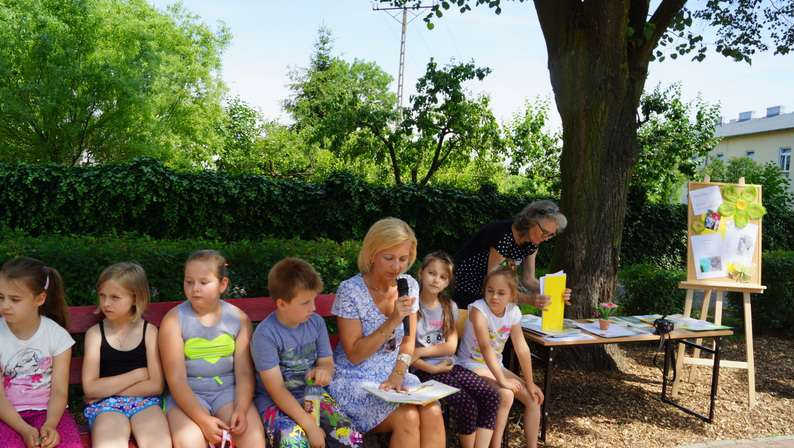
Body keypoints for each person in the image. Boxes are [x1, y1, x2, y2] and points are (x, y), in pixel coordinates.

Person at [330, 218, 445, 448]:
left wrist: (399, 372)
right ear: (372, 254)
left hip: (395, 375)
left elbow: (409, 339)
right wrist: (393, 320)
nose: (397, 267)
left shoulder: (409, 285)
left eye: (403, 259)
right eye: (389, 258)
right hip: (356, 379)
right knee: (409, 417)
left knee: (432, 409)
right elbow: (354, 354)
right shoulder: (350, 291)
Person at [252, 257, 362, 448]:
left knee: (350, 437)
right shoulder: (265, 335)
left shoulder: (316, 323)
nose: (313, 307)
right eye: (305, 302)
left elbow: (326, 362)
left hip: (313, 395)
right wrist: (310, 426)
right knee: (293, 442)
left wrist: (324, 371)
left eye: (314, 300)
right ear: (282, 304)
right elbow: (276, 390)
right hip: (275, 403)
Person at [159, 250, 265, 447]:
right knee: (189, 441)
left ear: (222, 284)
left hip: (228, 392)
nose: (195, 289)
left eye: (203, 282)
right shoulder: (173, 320)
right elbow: (176, 379)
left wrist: (241, 409)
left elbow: (244, 373)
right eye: (189, 282)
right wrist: (203, 420)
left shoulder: (238, 319)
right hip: (188, 395)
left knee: (252, 437)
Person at [411, 251, 499, 448]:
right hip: (423, 371)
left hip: (450, 365)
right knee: (467, 404)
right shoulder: (411, 306)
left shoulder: (448, 306)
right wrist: (429, 366)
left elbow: (450, 346)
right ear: (421, 273)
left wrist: (421, 351)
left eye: (443, 277)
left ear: (447, 282)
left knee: (491, 395)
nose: (436, 280)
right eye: (432, 273)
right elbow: (406, 353)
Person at [81, 262, 171, 448]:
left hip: (146, 403)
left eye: (115, 297)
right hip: (105, 407)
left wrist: (106, 389)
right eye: (102, 296)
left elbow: (155, 385)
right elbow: (90, 388)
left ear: (135, 298)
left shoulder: (149, 332)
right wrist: (138, 374)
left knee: (158, 442)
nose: (106, 303)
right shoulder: (95, 334)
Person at [456, 266, 543, 448]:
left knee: (534, 398)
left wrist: (530, 382)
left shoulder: (512, 312)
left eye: (501, 293)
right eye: (490, 291)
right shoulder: (478, 310)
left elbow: (522, 348)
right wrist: (502, 380)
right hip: (471, 364)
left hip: (495, 366)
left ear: (512, 295)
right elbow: (486, 348)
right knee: (505, 394)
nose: (494, 297)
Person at [0, 257, 81, 448]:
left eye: (15, 299)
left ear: (40, 299)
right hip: (6, 414)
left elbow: (59, 391)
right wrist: (24, 429)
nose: (5, 306)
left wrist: (51, 425)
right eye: (0, 297)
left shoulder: (57, 336)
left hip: (49, 412)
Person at [453, 200, 570, 313]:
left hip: (492, 291)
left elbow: (528, 279)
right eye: (544, 232)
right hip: (467, 287)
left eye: (551, 235)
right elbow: (493, 281)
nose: (546, 238)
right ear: (531, 221)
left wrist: (556, 291)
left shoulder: (533, 244)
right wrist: (528, 299)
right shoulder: (503, 235)